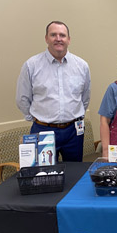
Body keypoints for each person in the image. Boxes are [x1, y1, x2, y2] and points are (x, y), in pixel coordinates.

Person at [16, 21, 91, 162]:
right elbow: (22, 98)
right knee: (44, 175)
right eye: (53, 35)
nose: (58, 38)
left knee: (74, 174)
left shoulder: (82, 66)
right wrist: (36, 119)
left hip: (74, 131)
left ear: (68, 39)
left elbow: (85, 98)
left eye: (62, 35)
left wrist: (74, 116)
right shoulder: (31, 65)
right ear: (46, 38)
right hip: (43, 130)